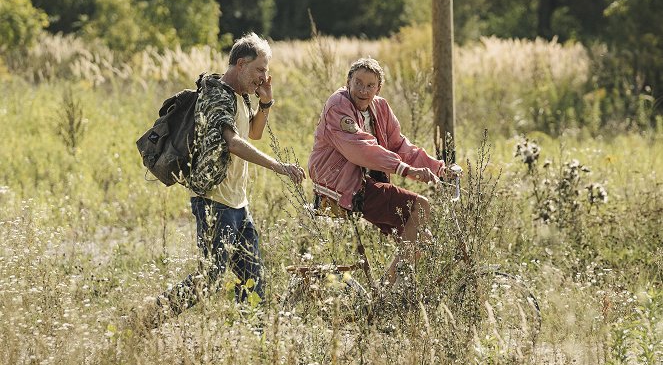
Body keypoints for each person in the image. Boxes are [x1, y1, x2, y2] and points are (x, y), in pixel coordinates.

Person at [140, 33, 305, 328]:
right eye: (260, 70)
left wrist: (265, 104)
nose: (264, 77)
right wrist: (279, 167)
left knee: (253, 278)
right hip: (214, 202)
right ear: (240, 64)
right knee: (211, 276)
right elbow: (234, 143)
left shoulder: (241, 95)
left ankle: (255, 342)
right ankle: (147, 318)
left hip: (237, 203)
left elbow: (253, 133)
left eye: (266, 72)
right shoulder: (218, 95)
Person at [308, 57, 453, 286]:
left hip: (365, 182)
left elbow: (399, 145)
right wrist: (406, 170)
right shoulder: (338, 106)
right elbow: (360, 148)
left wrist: (440, 169)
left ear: (378, 88)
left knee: (421, 239)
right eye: (358, 83)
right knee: (421, 206)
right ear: (348, 82)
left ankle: (393, 294)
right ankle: (386, 295)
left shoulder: (380, 107)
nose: (363, 90)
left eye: (370, 85)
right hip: (340, 184)